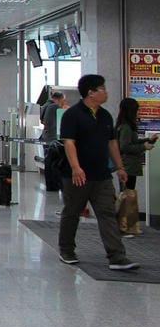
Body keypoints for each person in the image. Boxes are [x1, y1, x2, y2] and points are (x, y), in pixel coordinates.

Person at [57, 74, 138, 271]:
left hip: (101, 175)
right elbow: (69, 143)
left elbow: (112, 143)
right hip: (77, 175)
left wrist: (120, 167)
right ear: (91, 93)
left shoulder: (105, 116)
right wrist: (76, 168)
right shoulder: (72, 115)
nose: (106, 93)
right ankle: (66, 250)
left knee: (107, 214)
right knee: (72, 212)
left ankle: (117, 256)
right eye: (102, 89)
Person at [114, 97, 155, 236]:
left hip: (129, 164)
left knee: (128, 194)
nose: (138, 113)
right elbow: (124, 147)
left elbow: (132, 142)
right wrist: (143, 146)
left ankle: (128, 226)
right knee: (126, 195)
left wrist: (147, 140)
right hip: (127, 165)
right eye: (136, 110)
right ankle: (123, 227)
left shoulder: (125, 126)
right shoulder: (126, 127)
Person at [40, 89, 68, 192]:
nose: (63, 102)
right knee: (55, 163)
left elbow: (42, 121)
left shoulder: (45, 106)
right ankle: (55, 184)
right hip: (53, 139)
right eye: (63, 100)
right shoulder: (55, 107)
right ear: (59, 99)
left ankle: (50, 185)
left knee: (48, 162)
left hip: (46, 137)